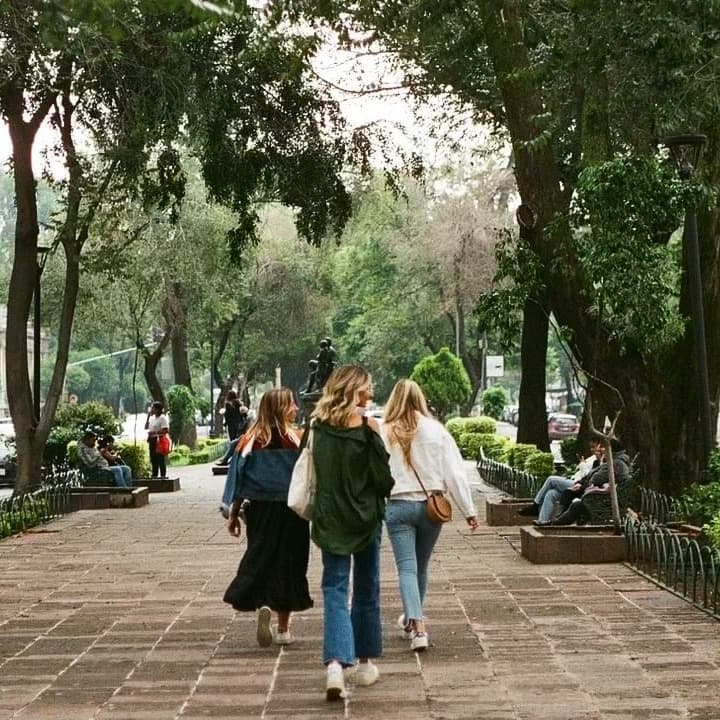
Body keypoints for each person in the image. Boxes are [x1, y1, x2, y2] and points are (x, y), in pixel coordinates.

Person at [310, 364, 394, 701]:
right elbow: (384, 480)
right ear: (355, 390)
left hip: (331, 518)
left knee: (333, 587)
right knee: (366, 588)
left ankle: (334, 662)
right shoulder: (367, 426)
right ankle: (363, 662)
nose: (371, 394)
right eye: (368, 388)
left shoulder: (317, 427)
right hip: (366, 517)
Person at [381, 379, 479, 653]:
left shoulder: (384, 430)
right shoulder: (437, 431)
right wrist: (468, 510)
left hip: (398, 505)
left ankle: (417, 625)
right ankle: (414, 621)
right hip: (431, 508)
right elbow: (455, 473)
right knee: (421, 567)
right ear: (420, 399)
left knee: (407, 568)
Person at [223, 388, 313, 647]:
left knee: (262, 555)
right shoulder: (297, 439)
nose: (296, 408)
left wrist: (234, 513)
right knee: (292, 564)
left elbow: (239, 480)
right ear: (283, 409)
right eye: (292, 404)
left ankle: (262, 603)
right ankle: (284, 629)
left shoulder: (250, 440)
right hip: (293, 510)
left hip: (260, 509)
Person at [518, 439, 604, 523]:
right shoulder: (593, 459)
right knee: (551, 494)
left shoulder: (603, 461)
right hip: (576, 482)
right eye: (591, 447)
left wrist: (583, 465)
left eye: (595, 447)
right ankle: (542, 521)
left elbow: (590, 477)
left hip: (582, 487)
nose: (593, 450)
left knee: (551, 479)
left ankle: (536, 505)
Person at [553, 438, 632, 525]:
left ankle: (555, 522)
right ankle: (555, 521)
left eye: (603, 447)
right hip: (602, 495)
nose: (600, 450)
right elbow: (592, 475)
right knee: (557, 493)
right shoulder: (614, 461)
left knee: (571, 498)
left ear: (611, 450)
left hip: (602, 498)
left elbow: (595, 479)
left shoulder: (615, 463)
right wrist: (581, 483)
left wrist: (583, 485)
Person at [145, 401, 169, 478]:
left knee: (160, 459)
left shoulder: (162, 418)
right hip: (152, 440)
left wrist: (155, 432)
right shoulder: (152, 418)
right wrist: (148, 416)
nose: (151, 409)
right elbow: (146, 427)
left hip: (159, 440)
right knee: (153, 458)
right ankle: (154, 475)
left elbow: (165, 430)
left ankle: (163, 476)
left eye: (153, 408)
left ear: (157, 409)